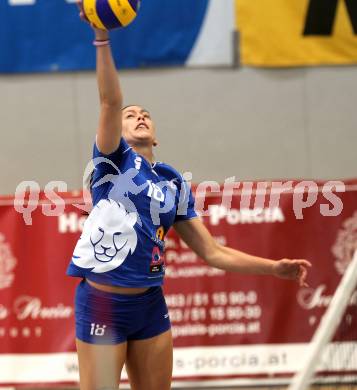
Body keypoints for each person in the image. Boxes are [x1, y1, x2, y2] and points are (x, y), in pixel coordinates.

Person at [67, 5, 312, 390]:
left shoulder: (172, 181)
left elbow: (212, 252)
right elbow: (110, 101)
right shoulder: (112, 160)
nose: (139, 116)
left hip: (149, 305)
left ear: (157, 135)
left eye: (146, 114)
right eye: (131, 115)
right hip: (103, 303)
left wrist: (273, 268)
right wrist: (102, 37)